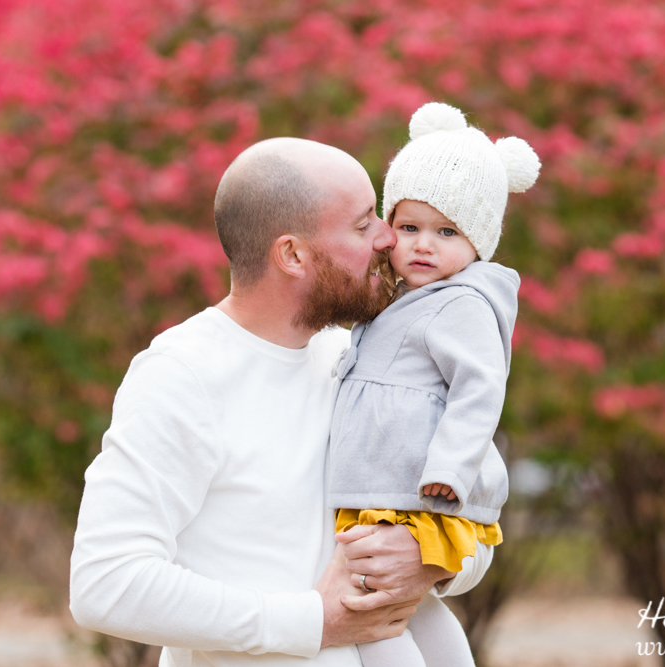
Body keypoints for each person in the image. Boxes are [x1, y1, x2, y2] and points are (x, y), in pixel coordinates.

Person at [69, 137, 494, 667]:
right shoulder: (182, 375)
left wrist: (431, 560)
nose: (389, 238)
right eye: (364, 225)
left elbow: (475, 524)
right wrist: (311, 622)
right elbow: (105, 583)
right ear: (292, 254)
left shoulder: (361, 359)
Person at [327, 103, 541, 667]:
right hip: (396, 484)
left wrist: (450, 466)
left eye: (448, 231)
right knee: (417, 609)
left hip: (415, 488)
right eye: (409, 227)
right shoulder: (405, 299)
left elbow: (480, 389)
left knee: (374, 608)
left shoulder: (462, 303)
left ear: (480, 243)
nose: (424, 245)